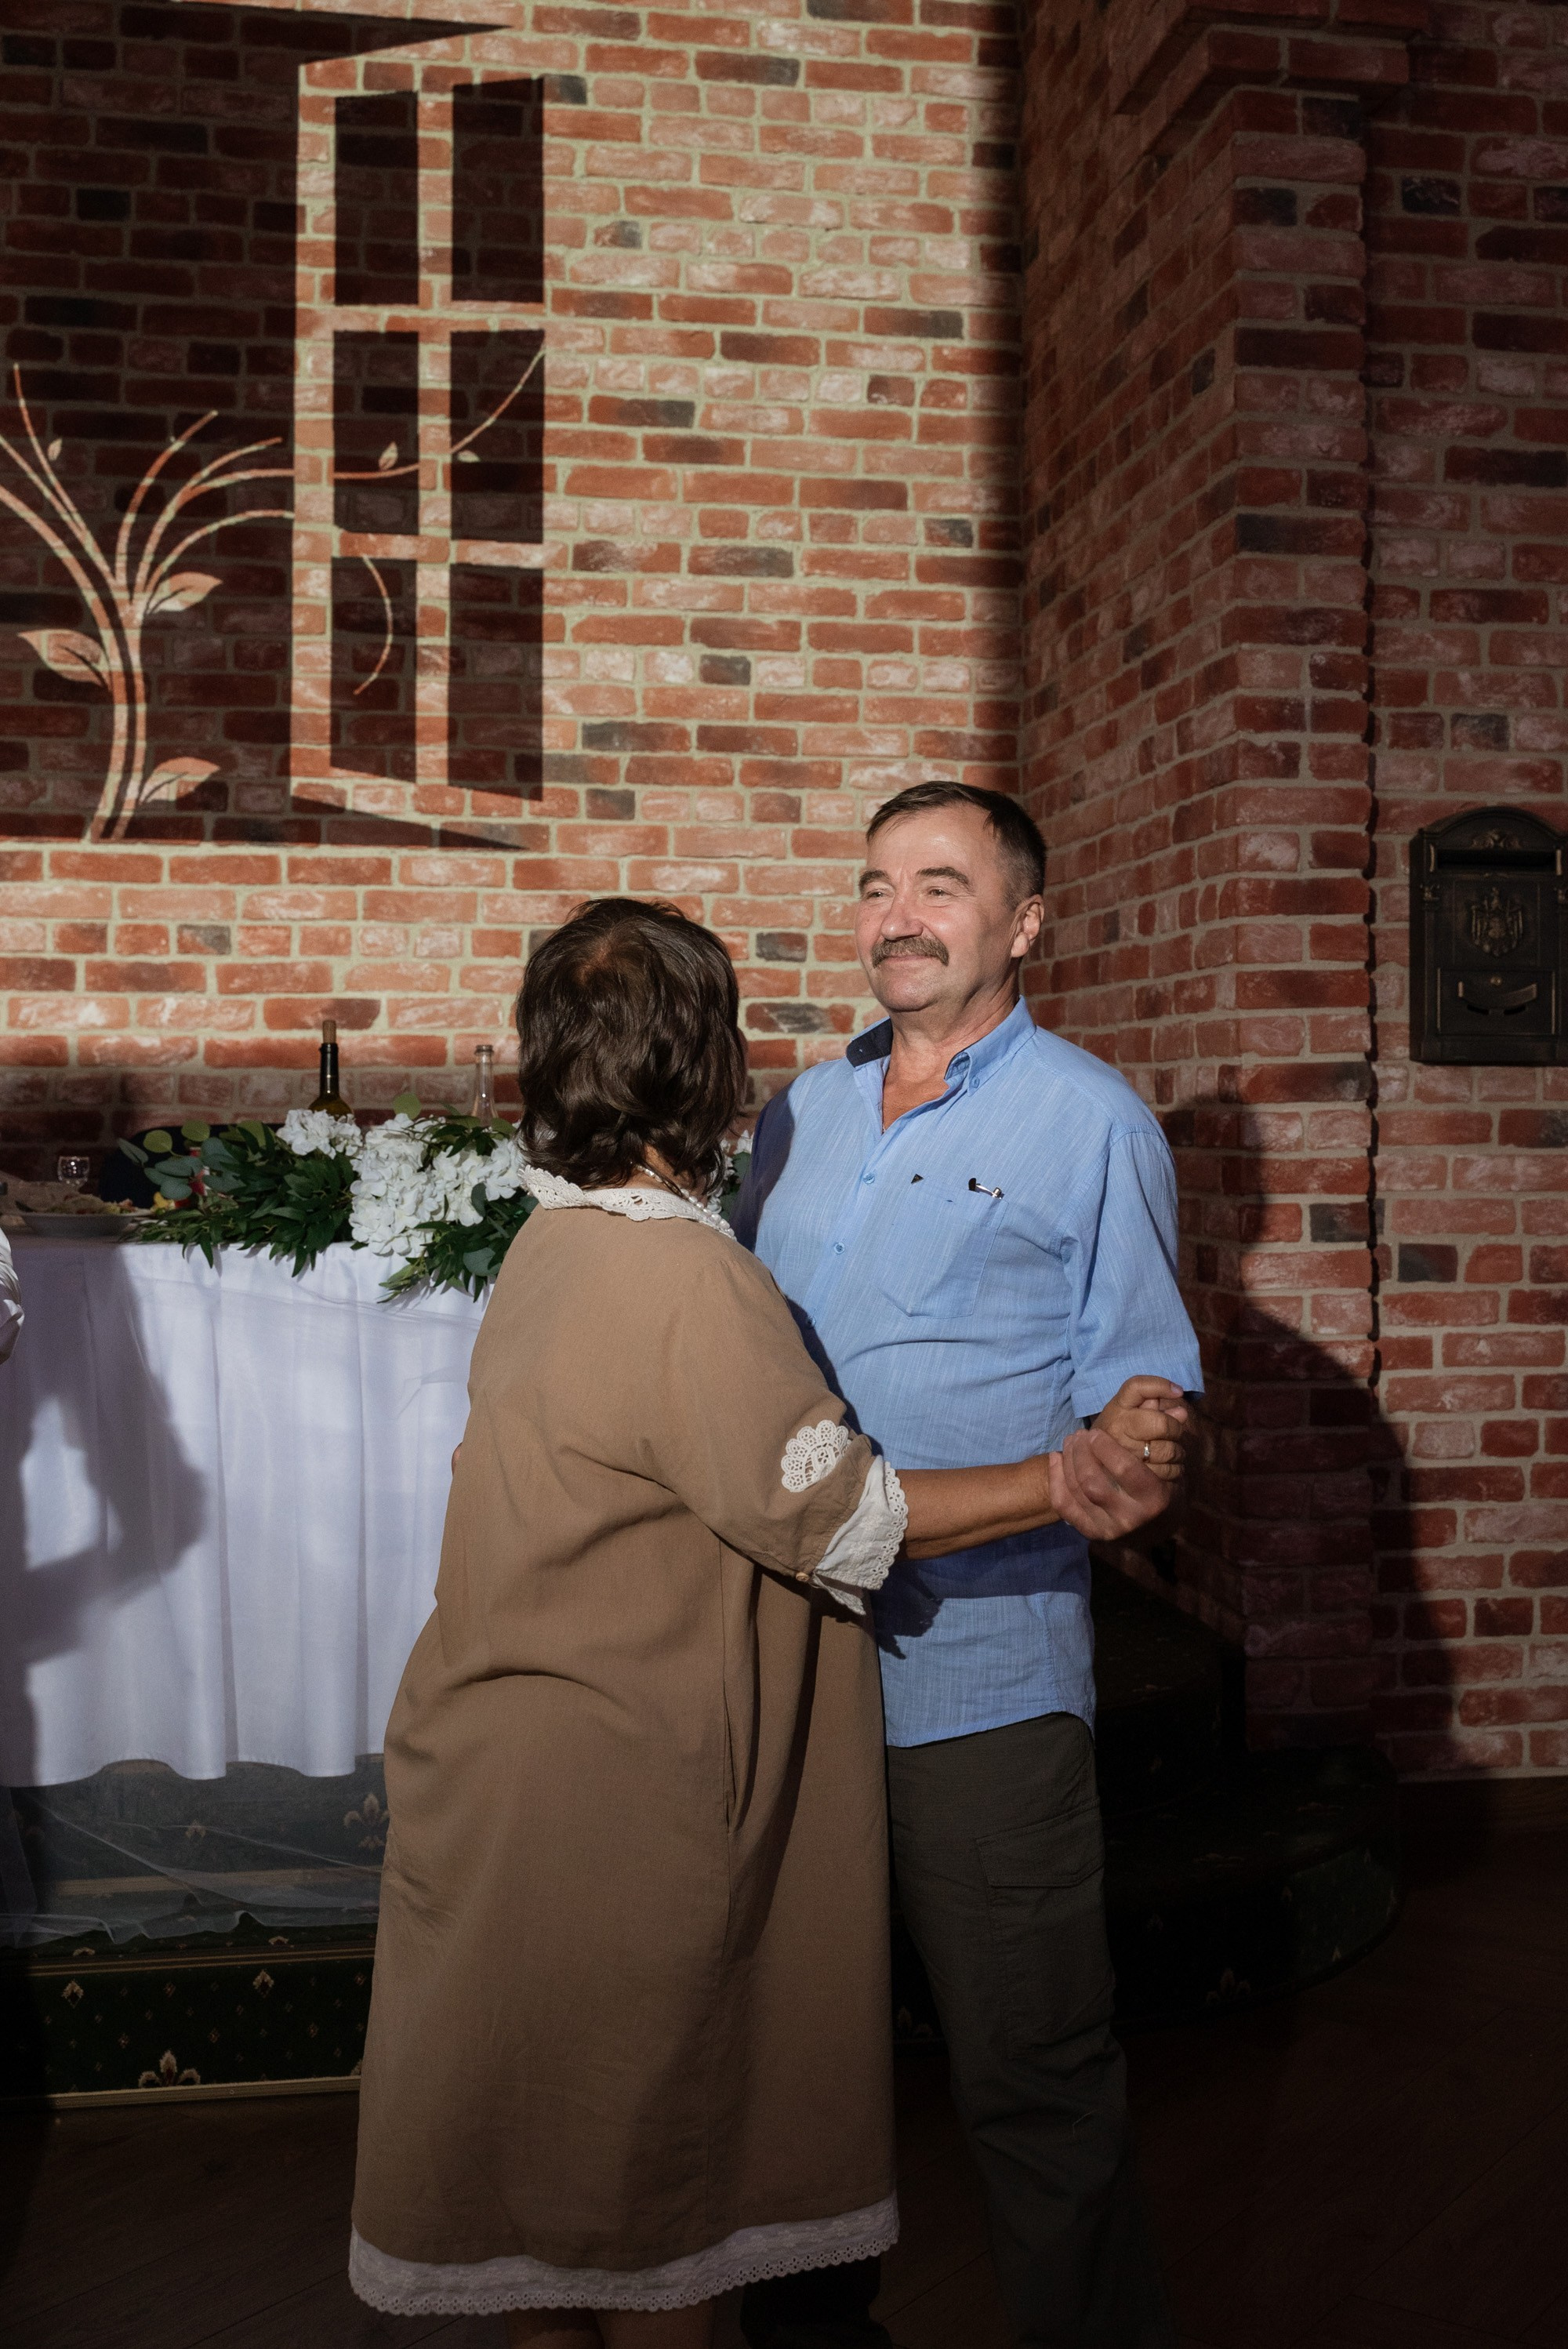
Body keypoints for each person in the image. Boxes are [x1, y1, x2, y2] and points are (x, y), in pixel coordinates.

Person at [350, 897, 1177, 2349]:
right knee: (660, 2218)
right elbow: (845, 1517)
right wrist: (1060, 1476)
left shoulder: (554, 1246)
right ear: (712, 1073)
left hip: (501, 1767)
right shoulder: (684, 1278)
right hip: (623, 1793)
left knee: (548, 2214)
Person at [735, 784, 1202, 2349]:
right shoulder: (792, 1112)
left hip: (977, 1679)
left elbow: (1140, 1386)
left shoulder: (1091, 1122)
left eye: (941, 885)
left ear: (1023, 923)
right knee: (789, 2063)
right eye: (876, 885)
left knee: (1033, 2076)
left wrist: (1141, 1438)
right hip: (781, 1663)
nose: (896, 915)